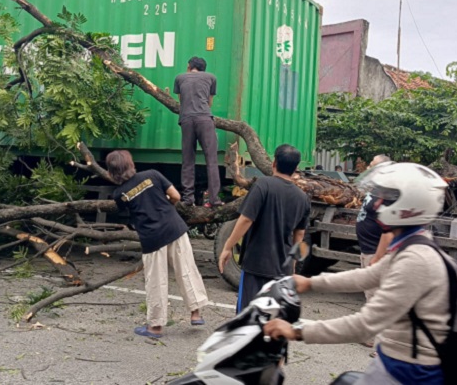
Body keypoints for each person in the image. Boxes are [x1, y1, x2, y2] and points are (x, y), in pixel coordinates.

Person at [263, 162, 451, 384]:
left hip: (411, 373)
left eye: (386, 199)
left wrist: (296, 331)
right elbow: (367, 276)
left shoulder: (416, 260)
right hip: (396, 362)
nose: (378, 204)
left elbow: (365, 325)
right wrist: (311, 283)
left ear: (407, 207)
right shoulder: (412, 246)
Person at [107, 150, 208, 338]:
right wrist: (166, 203)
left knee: (156, 281)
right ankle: (196, 313)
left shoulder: (119, 194)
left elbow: (130, 211)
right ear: (131, 164)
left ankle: (156, 326)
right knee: (186, 270)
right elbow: (176, 196)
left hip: (152, 238)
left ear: (112, 173)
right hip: (174, 228)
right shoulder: (152, 174)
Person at [218, 144, 311, 313]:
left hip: (256, 264)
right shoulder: (302, 197)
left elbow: (246, 219)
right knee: (272, 317)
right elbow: (300, 234)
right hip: (283, 267)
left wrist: (227, 247)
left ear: (274, 163)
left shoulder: (263, 185)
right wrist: (293, 263)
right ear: (296, 168)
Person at [354, 154, 393, 350]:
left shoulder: (386, 194)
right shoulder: (375, 189)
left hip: (375, 252)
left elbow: (388, 231)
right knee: (371, 295)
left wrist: (377, 257)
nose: (368, 167)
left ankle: (382, 347)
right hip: (367, 248)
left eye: (372, 165)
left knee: (377, 297)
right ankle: (371, 336)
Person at [174, 57, 222, 208]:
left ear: (189, 66)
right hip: (205, 120)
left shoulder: (180, 78)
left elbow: (182, 101)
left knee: (188, 160)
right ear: (203, 68)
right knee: (211, 160)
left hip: (187, 120)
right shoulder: (211, 78)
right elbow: (210, 103)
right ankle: (214, 199)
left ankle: (188, 198)